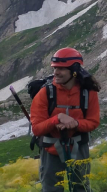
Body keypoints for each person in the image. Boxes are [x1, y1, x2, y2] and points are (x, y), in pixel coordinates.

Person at [30, 48, 100, 192]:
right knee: (52, 189)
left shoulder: (88, 92)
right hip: (51, 148)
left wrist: (76, 123)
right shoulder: (45, 92)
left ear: (74, 71)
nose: (56, 72)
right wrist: (57, 118)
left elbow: (93, 122)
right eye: (55, 68)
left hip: (78, 146)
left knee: (81, 188)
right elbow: (36, 128)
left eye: (61, 69)